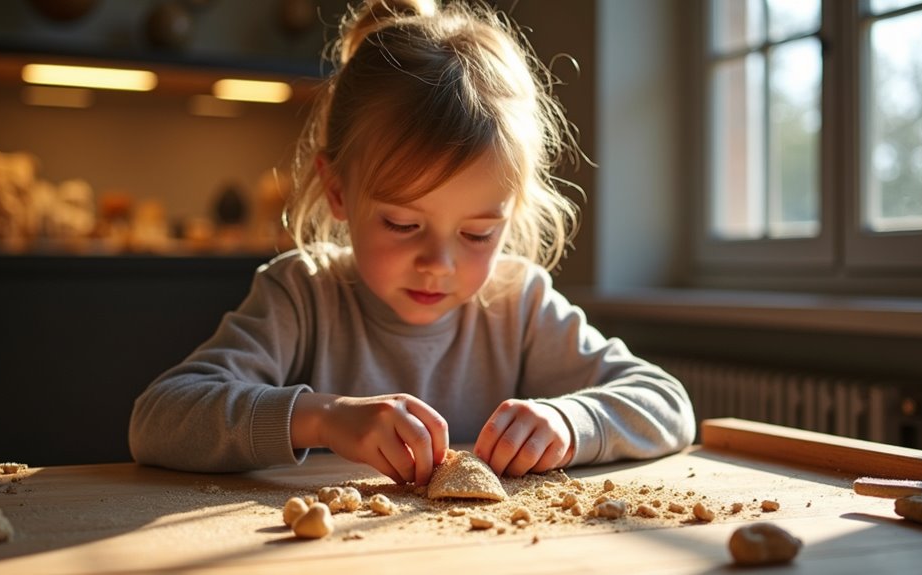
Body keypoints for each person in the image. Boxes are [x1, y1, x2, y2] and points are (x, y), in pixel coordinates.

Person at [128, 0, 695, 486]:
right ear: (338, 191)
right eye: (402, 224)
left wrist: (572, 423)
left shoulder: (518, 305)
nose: (438, 264)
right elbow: (158, 419)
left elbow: (667, 404)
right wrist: (321, 417)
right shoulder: (302, 296)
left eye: (478, 233)